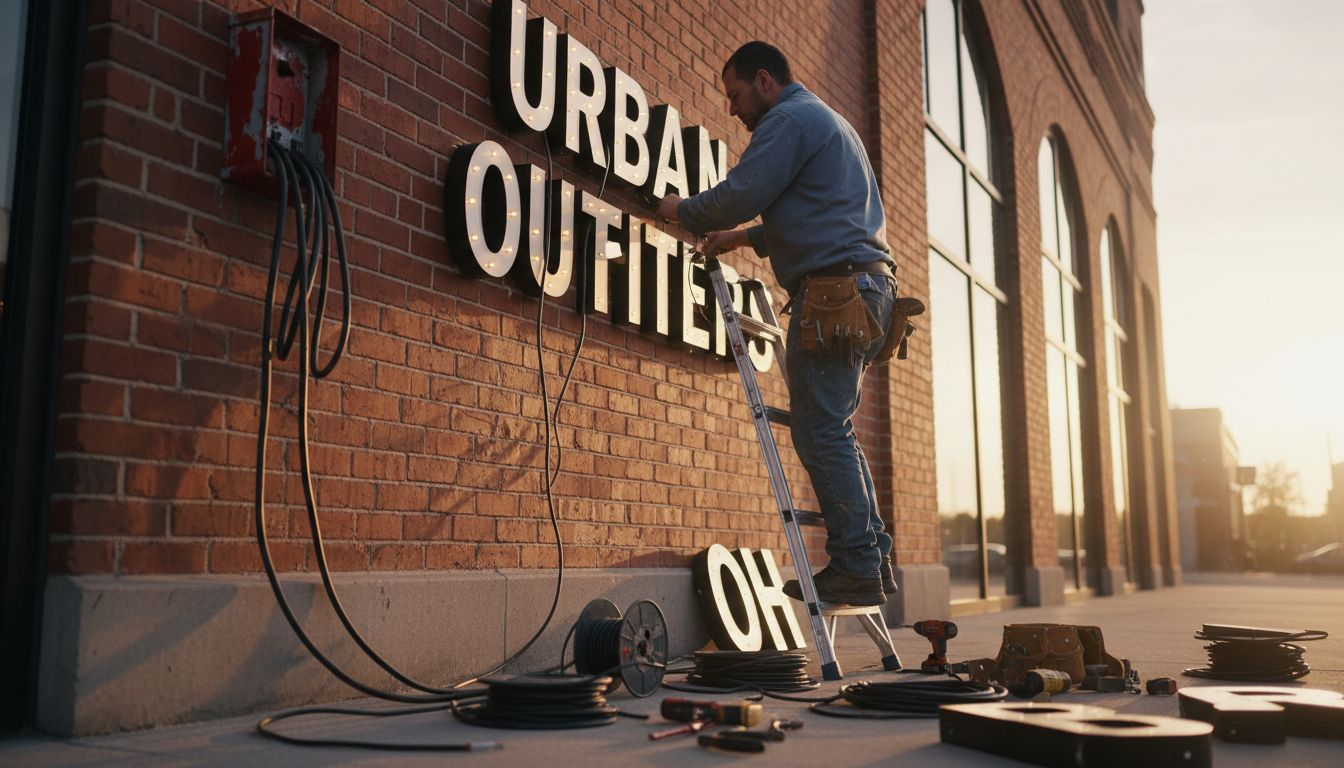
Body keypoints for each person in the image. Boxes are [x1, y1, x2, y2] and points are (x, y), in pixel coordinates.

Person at [658, 41, 897, 607]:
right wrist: (744, 238)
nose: (733, 111)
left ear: (764, 81)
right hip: (865, 288)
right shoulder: (825, 120)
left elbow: (742, 193)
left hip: (836, 293)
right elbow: (819, 210)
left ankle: (858, 565)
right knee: (833, 429)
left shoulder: (787, 119)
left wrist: (679, 210)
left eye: (736, 95)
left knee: (819, 432)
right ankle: (872, 560)